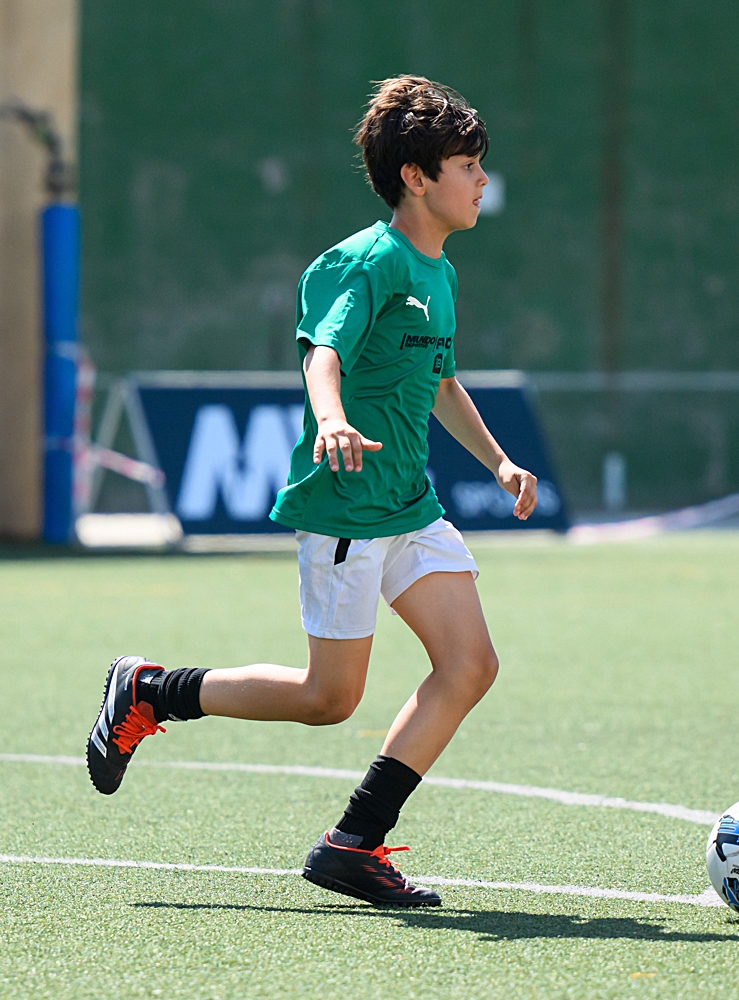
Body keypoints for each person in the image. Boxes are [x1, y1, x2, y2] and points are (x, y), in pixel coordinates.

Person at [85, 76, 538, 908]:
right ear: (416, 177)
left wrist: (499, 462)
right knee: (327, 699)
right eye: (467, 165)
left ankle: (353, 844)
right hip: (347, 508)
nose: (482, 180)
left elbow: (441, 382)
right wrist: (331, 418)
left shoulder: (439, 273)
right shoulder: (363, 262)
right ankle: (149, 691)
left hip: (409, 508)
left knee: (470, 664)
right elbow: (322, 354)